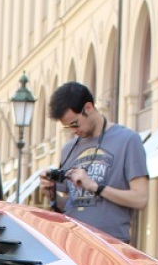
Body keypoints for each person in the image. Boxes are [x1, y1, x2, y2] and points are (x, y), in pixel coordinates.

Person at [38, 82, 149, 243]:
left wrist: (94, 186)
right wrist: (52, 194)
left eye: (75, 123)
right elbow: (70, 206)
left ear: (88, 108)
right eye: (68, 127)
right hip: (72, 244)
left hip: (110, 247)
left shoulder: (128, 140)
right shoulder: (68, 149)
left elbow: (141, 199)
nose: (73, 131)